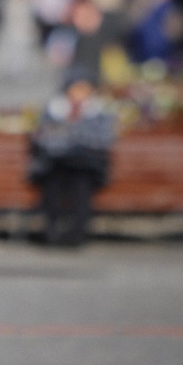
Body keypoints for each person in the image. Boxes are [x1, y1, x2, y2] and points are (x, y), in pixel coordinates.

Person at [28, 67, 116, 246]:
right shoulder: (54, 109)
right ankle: (52, 231)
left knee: (81, 186)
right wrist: (70, 137)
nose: (79, 93)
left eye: (84, 88)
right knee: (51, 184)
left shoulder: (100, 112)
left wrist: (69, 134)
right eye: (76, 88)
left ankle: (77, 233)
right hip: (56, 163)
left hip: (86, 166)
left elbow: (103, 139)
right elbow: (42, 137)